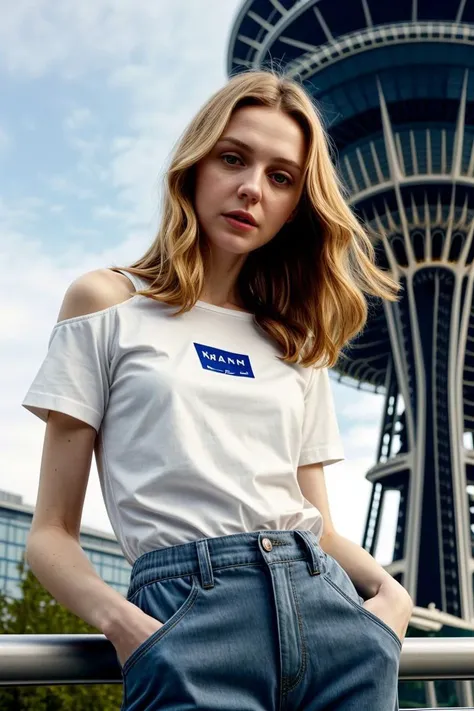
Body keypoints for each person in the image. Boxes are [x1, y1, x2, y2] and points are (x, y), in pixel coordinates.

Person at [22, 70, 413, 711]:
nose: (251, 188)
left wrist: (390, 602)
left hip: (334, 626)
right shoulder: (106, 304)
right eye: (234, 158)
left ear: (296, 203)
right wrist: (129, 628)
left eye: (281, 177)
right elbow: (51, 534)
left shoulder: (295, 343)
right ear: (195, 167)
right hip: (187, 621)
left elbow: (323, 529)